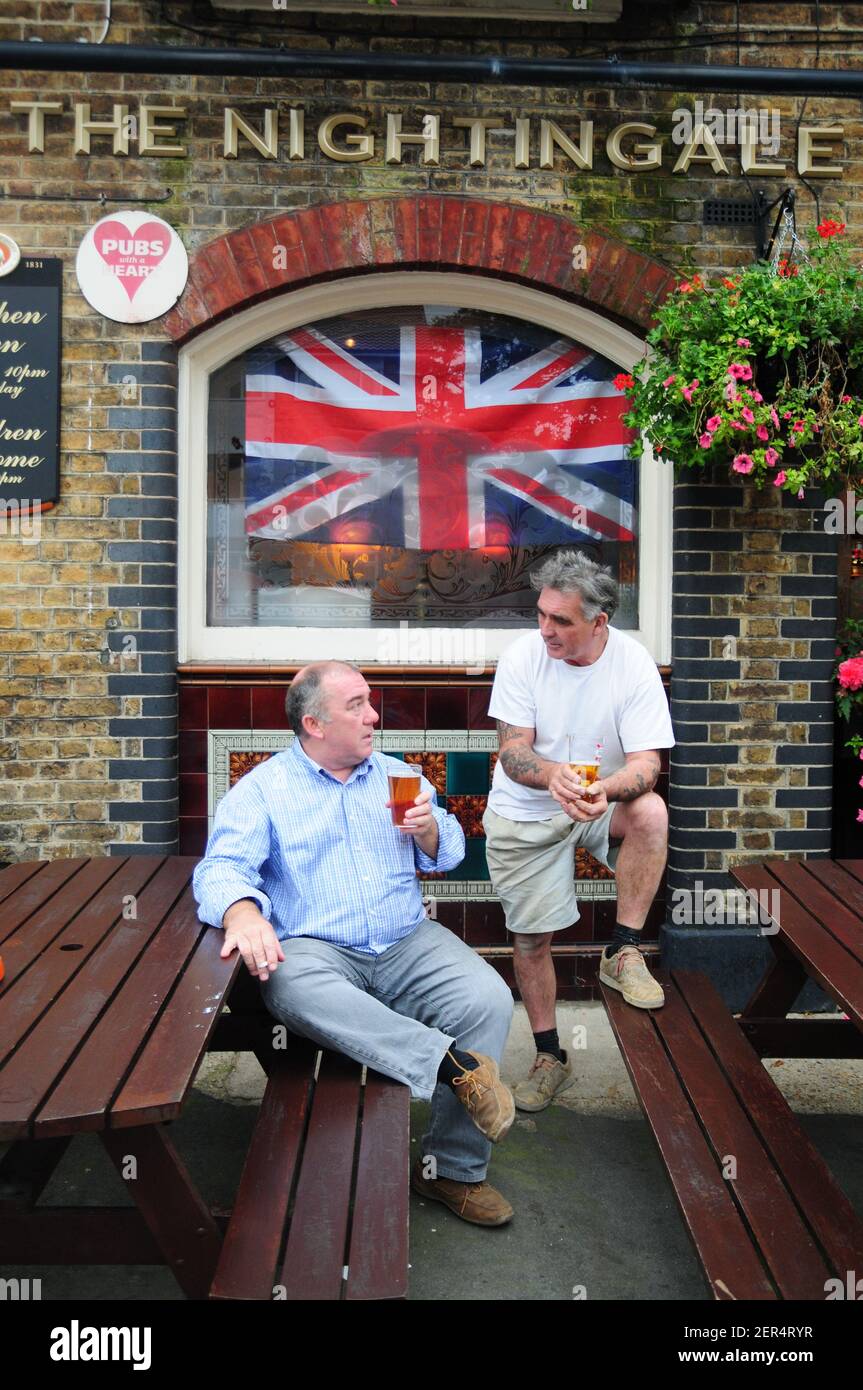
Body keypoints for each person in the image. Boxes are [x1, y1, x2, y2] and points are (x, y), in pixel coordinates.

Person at [193, 659, 516, 1226]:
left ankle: (455, 1174)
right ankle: (452, 1067)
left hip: (405, 938)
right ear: (314, 725)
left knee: (485, 997)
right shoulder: (263, 791)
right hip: (319, 946)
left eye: (370, 702)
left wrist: (431, 830)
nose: (373, 716)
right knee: (289, 984)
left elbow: (451, 851)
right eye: (356, 706)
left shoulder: (399, 775)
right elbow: (220, 868)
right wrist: (243, 913)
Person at [482, 550, 675, 1113]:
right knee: (530, 939)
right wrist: (552, 777)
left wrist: (605, 790)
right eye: (541, 614)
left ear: (599, 621)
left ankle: (622, 952)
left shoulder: (633, 663)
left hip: (599, 800)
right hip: (529, 808)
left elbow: (647, 765)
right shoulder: (523, 656)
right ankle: (549, 1057)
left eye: (560, 620)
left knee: (652, 811)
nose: (546, 630)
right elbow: (513, 752)